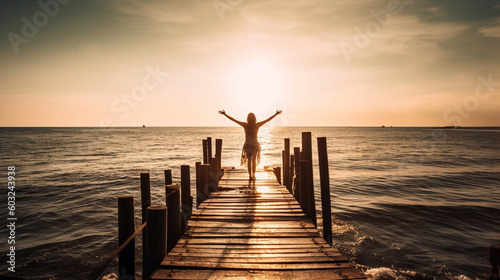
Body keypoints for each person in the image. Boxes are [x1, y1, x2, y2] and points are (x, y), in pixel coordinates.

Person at [219, 110, 282, 180]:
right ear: (255, 118)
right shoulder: (257, 125)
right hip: (254, 144)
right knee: (254, 161)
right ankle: (254, 175)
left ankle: (250, 176)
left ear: (247, 118)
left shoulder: (245, 125)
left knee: (249, 161)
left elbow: (234, 120)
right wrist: (275, 114)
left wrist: (225, 114)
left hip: (247, 144)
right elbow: (267, 120)